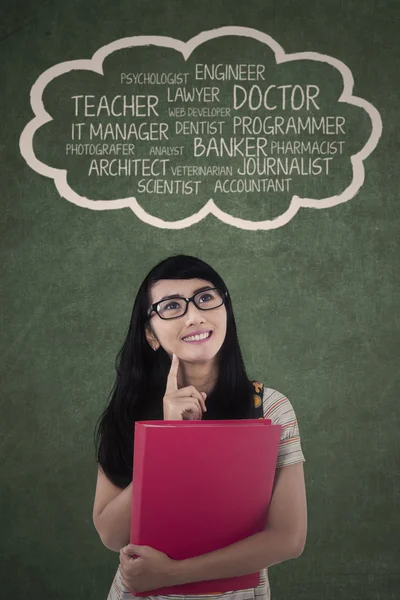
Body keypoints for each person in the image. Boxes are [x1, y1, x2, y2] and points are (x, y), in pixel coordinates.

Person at [93, 254, 307, 600]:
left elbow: (289, 538)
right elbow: (111, 535)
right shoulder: (128, 411)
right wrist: (166, 436)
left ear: (226, 309)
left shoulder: (269, 408)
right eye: (172, 306)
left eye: (206, 298)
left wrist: (172, 574)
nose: (195, 316)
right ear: (151, 335)